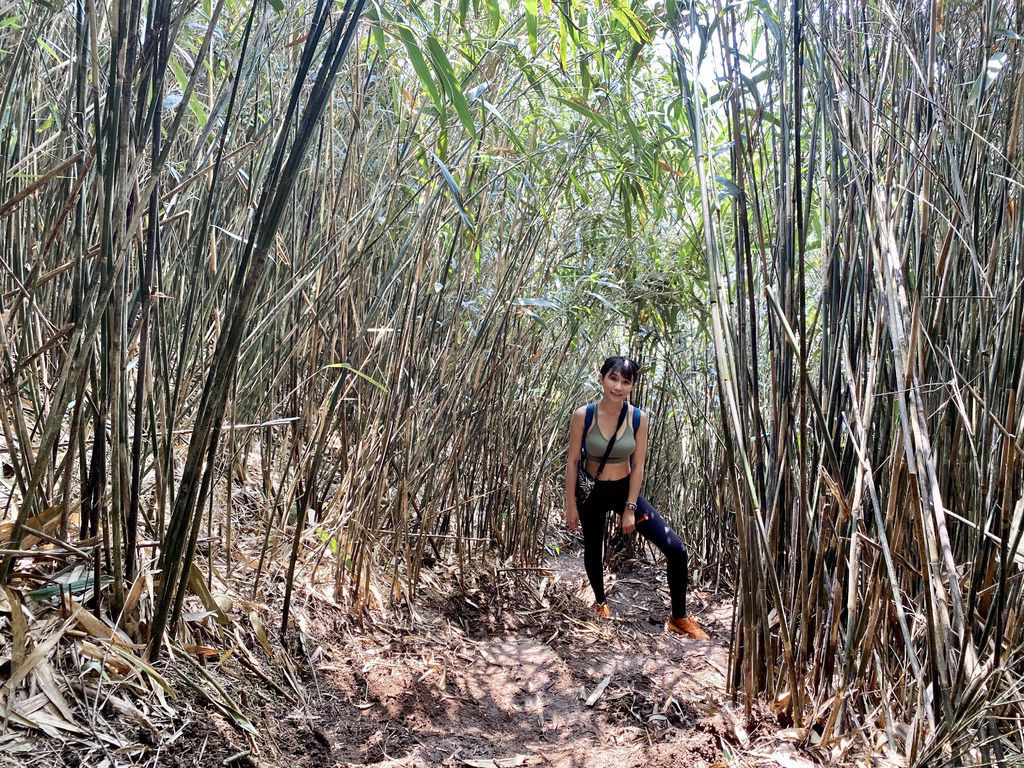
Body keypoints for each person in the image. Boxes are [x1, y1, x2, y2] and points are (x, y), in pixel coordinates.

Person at [564, 356, 708, 640]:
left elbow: (639, 464)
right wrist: (570, 505)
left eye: (625, 382)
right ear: (602, 378)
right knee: (594, 548)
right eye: (613, 378)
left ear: (632, 386)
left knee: (676, 550)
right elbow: (571, 462)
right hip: (591, 492)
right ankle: (601, 603)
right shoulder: (584, 415)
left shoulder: (638, 418)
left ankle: (679, 617)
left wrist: (630, 508)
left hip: (623, 490)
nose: (618, 387)